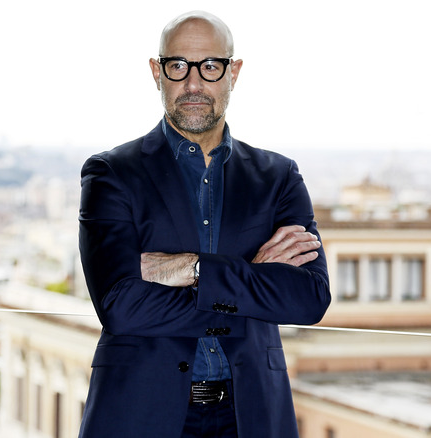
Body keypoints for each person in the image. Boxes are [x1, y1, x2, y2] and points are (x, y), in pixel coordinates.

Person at [77, 10, 331, 438]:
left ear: (234, 72)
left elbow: (309, 298)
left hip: (252, 414)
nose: (193, 84)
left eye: (210, 67)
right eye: (179, 66)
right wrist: (252, 282)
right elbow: (120, 306)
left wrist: (192, 268)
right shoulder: (111, 173)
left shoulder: (278, 177)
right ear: (157, 73)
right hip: (140, 411)